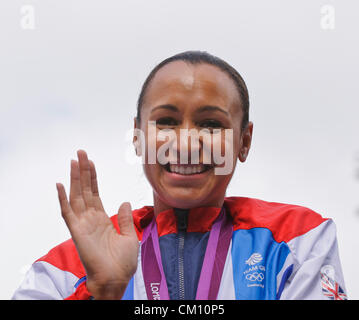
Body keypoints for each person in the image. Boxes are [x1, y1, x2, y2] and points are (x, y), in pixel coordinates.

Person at [12, 51, 347, 300]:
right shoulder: (63, 269)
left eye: (210, 124)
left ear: (244, 141)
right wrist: (101, 293)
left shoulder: (299, 241)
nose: (186, 143)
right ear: (138, 136)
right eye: (167, 122)